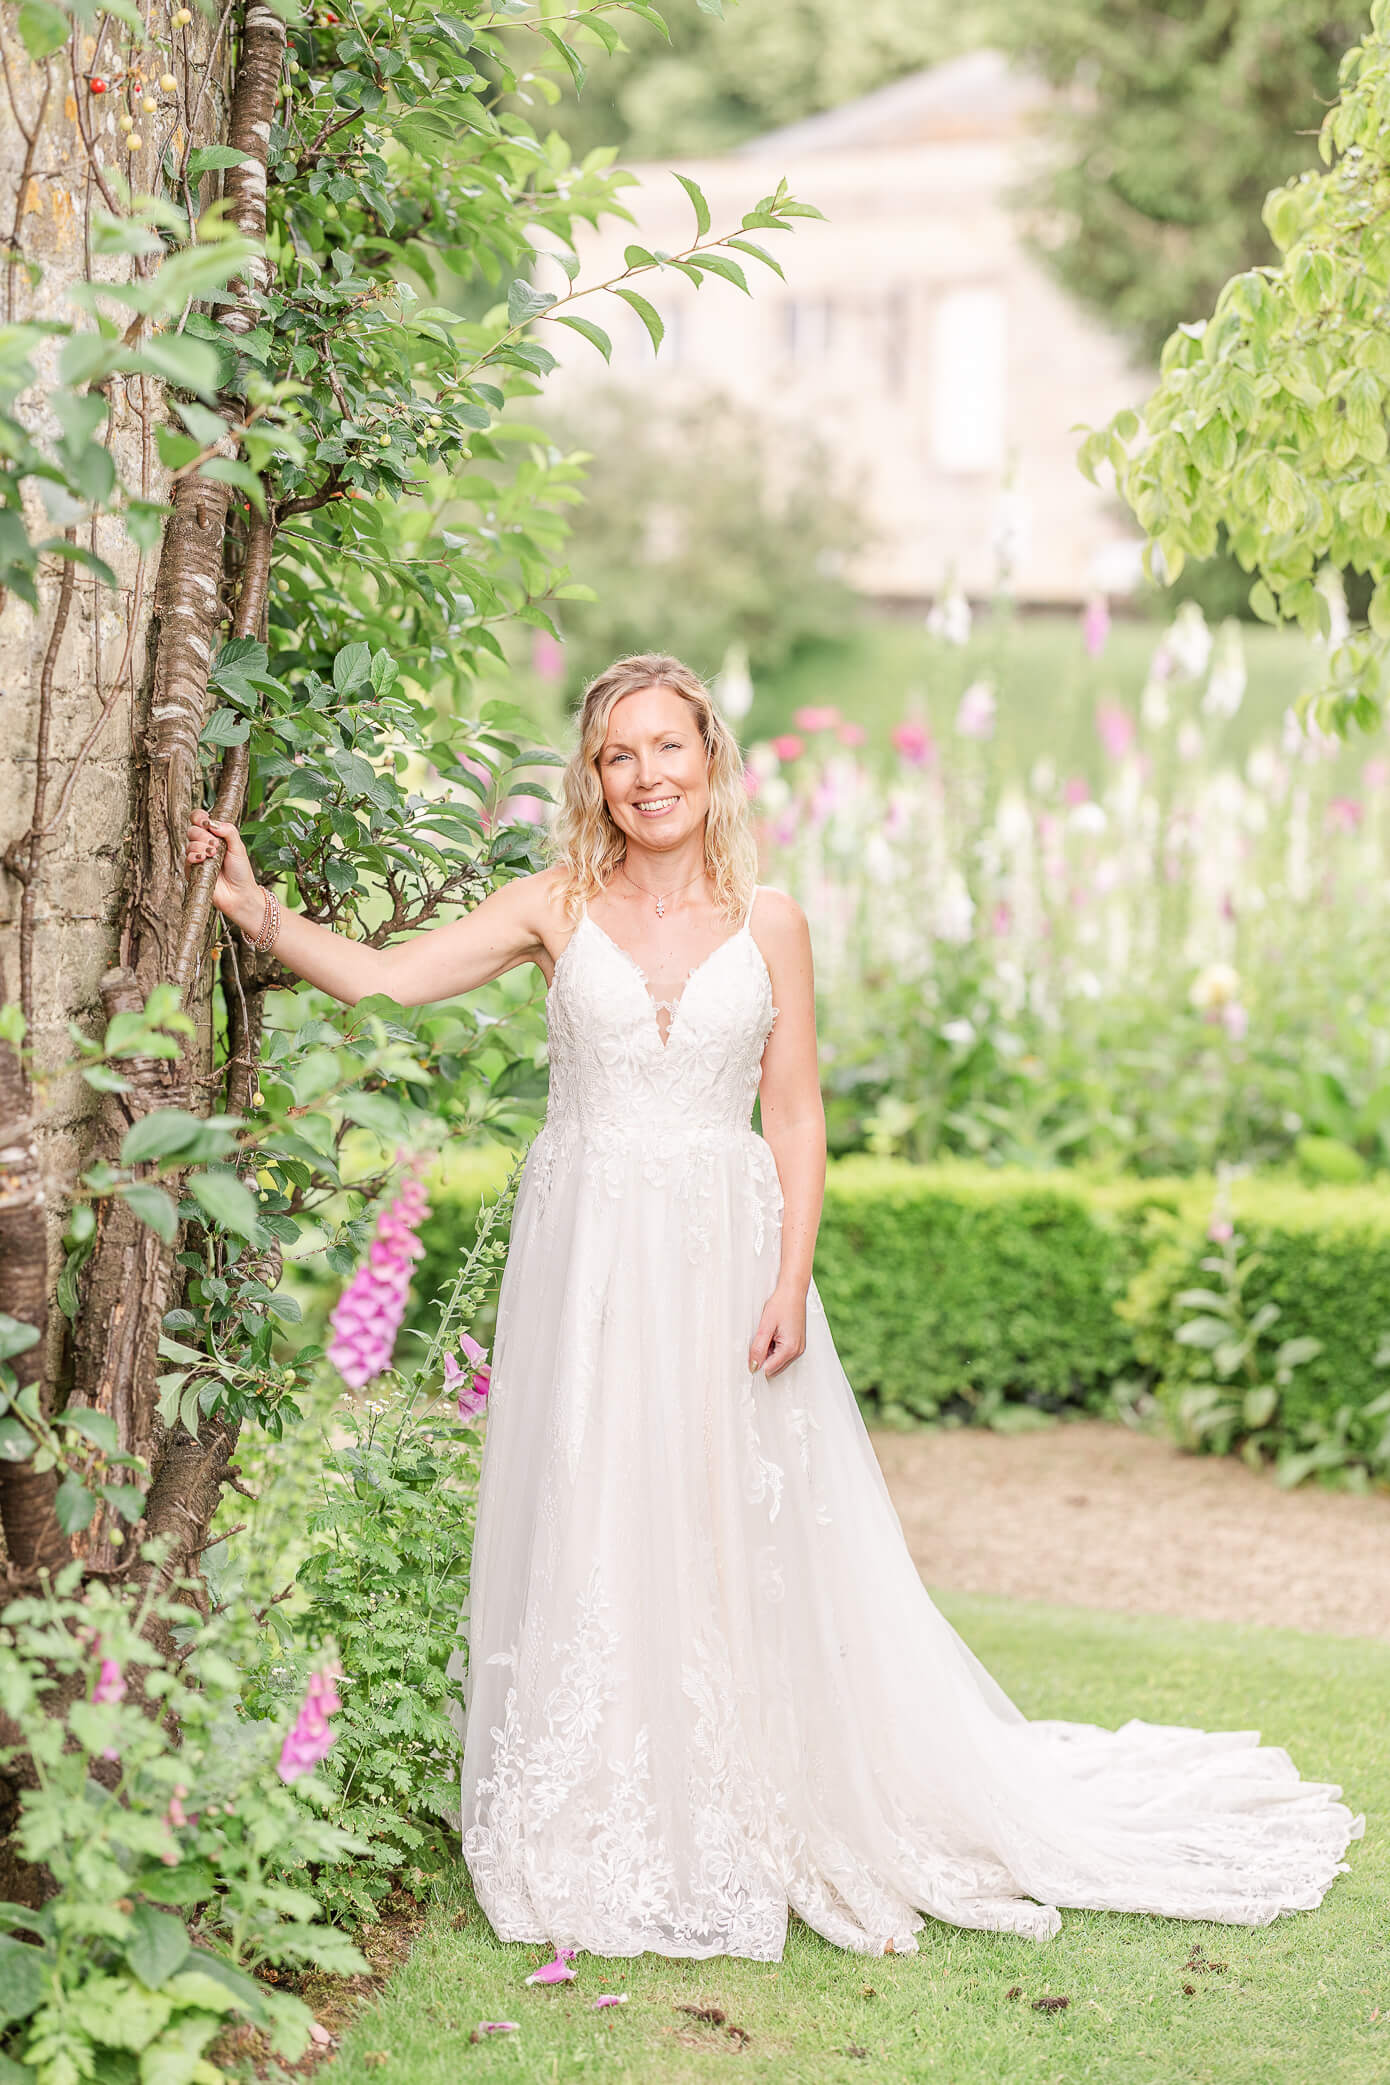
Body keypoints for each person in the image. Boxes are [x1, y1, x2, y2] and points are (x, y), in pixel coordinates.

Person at [188, 650, 1362, 1962]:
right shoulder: (550, 907)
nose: (645, 775)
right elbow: (387, 978)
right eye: (618, 754)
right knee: (599, 1498)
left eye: (666, 747)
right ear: (594, 777)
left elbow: (794, 1111)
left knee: (728, 1506)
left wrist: (790, 1274)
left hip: (726, 1248)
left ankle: (754, 1782)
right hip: (588, 1249)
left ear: (711, 760)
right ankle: (607, 1796)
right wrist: (255, 909)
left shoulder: (773, 919)